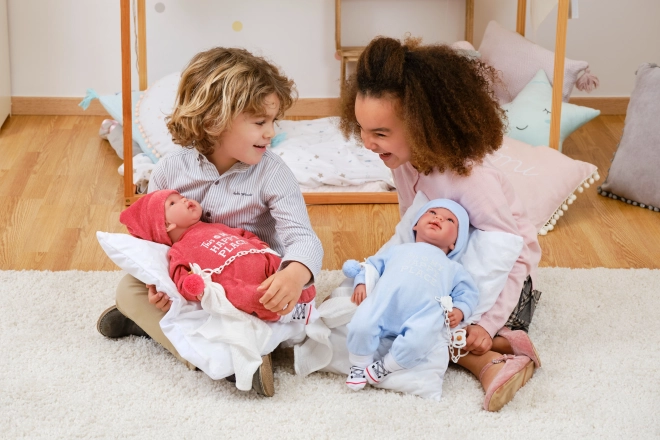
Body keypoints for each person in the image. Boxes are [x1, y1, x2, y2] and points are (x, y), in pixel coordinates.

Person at [96, 47, 324, 398]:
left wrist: (293, 275)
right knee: (130, 289)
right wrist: (157, 282)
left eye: (273, 121)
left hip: (248, 287)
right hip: (193, 281)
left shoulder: (273, 173)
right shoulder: (170, 169)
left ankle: (150, 326)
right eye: (260, 122)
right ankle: (224, 362)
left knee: (273, 316)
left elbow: (304, 239)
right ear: (214, 120)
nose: (270, 133)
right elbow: (153, 239)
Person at [338, 36, 542, 411]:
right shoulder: (404, 161)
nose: (367, 143)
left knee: (430, 329)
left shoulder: (472, 178)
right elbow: (411, 233)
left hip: (503, 280)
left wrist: (484, 324)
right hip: (445, 264)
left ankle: (496, 355)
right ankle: (501, 346)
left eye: (380, 133)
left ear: (422, 126)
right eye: (362, 129)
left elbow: (510, 255)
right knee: (377, 313)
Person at [119, 188, 318, 324]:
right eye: (173, 203)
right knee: (241, 295)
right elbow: (180, 276)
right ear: (166, 225)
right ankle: (290, 315)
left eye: (181, 196)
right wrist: (193, 286)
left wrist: (260, 247)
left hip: (256, 256)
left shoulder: (215, 226)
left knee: (282, 269)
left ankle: (303, 300)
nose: (184, 199)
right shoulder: (178, 249)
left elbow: (243, 234)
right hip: (235, 279)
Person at [344, 198, 478, 391]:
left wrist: (460, 310)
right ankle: (359, 365)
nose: (438, 218)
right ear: (415, 225)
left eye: (450, 220)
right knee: (361, 325)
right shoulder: (397, 250)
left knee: (420, 342)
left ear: (454, 243)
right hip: (384, 304)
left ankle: (386, 366)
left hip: (422, 315)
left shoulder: (453, 268)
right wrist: (362, 282)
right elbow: (372, 265)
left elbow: (468, 293)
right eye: (432, 212)